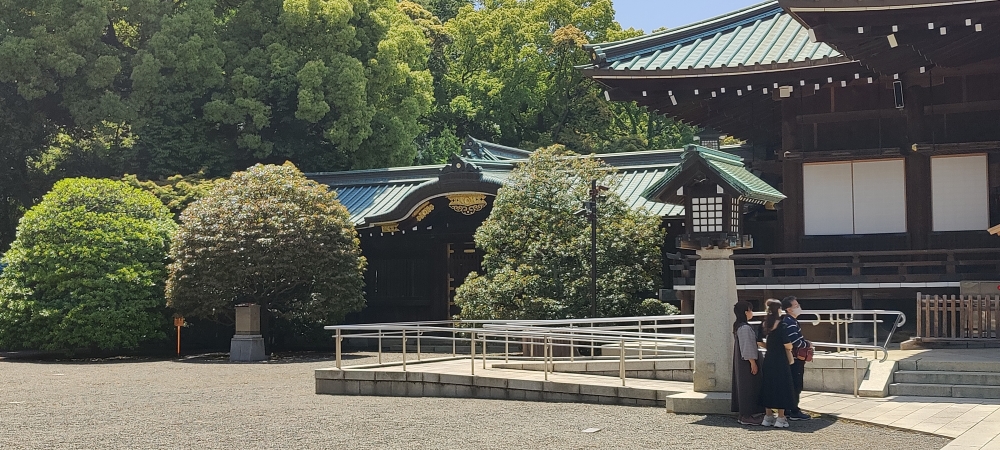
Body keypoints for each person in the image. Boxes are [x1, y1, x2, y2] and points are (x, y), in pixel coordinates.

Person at [758, 298, 796, 428]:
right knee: (782, 387)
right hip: (780, 360)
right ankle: (781, 418)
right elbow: (788, 344)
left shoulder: (764, 324)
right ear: (779, 309)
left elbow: (758, 341)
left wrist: (769, 346)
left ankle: (767, 417)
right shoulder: (782, 325)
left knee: (768, 385)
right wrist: (788, 348)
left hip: (769, 358)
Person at [731, 301, 764, 425]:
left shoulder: (739, 326)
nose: (752, 312)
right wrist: (753, 362)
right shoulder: (744, 327)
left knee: (744, 386)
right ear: (746, 312)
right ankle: (746, 415)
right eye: (750, 310)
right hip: (746, 362)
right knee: (748, 387)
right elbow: (747, 346)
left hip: (742, 361)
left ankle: (744, 415)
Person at [781, 295, 813, 421]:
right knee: (796, 384)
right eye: (796, 306)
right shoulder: (790, 322)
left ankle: (790, 409)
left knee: (792, 384)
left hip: (791, 357)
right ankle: (794, 410)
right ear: (788, 309)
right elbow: (795, 341)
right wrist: (808, 344)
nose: (798, 307)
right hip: (795, 358)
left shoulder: (789, 321)